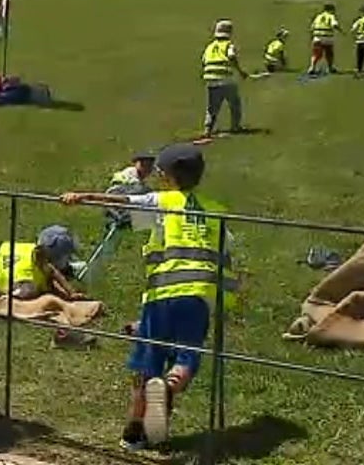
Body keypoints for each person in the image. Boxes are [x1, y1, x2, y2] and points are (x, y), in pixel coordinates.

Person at [61, 143, 239, 450]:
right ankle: (169, 389)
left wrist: (83, 196)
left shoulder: (163, 200)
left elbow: (122, 200)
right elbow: (227, 261)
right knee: (186, 357)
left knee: (148, 363)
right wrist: (226, 303)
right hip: (199, 297)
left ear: (167, 177)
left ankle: (134, 433)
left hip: (162, 293)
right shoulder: (217, 212)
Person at [0, 225, 85, 300]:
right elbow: (14, 301)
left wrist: (71, 292)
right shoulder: (28, 285)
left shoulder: (32, 249)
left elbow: (52, 271)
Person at [201, 19, 249, 139]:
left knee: (212, 107)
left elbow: (204, 60)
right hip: (226, 79)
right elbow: (231, 56)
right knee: (235, 104)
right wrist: (240, 71)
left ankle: (208, 129)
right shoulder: (228, 45)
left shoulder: (210, 46)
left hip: (211, 80)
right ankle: (235, 126)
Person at [308, 2, 341, 76]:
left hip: (317, 37)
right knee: (329, 53)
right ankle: (330, 67)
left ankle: (312, 67)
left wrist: (312, 36)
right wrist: (341, 30)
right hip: (327, 38)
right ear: (330, 9)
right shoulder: (331, 16)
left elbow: (312, 26)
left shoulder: (318, 16)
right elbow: (334, 24)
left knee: (316, 54)